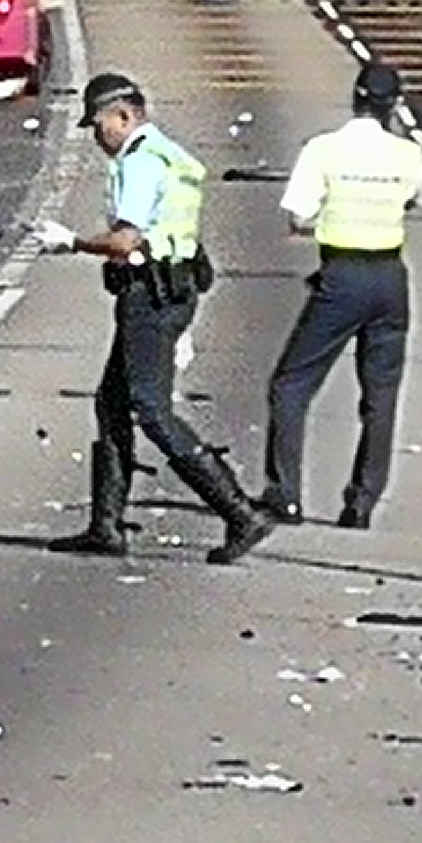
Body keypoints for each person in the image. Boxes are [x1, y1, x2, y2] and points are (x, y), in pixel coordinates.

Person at [34, 70, 274, 565]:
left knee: (151, 408)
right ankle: (105, 526)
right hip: (168, 288)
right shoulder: (166, 154)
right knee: (113, 402)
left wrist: (70, 242)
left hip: (152, 295)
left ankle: (239, 513)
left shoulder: (142, 163)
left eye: (99, 125)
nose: (96, 137)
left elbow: (125, 240)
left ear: (124, 116)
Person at [259, 61, 422, 527]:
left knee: (291, 385)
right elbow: (413, 201)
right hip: (390, 278)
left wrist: (331, 216)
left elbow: (297, 215)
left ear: (355, 98)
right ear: (393, 105)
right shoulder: (408, 154)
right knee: (380, 394)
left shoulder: (324, 150)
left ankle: (286, 495)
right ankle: (361, 503)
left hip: (342, 275)